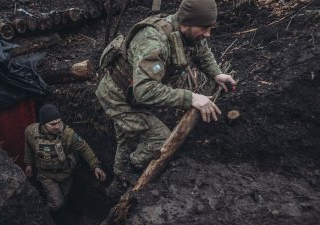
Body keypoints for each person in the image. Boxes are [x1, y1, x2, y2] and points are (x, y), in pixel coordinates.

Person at [95, 0, 237, 198]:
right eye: (204, 29)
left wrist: (217, 74)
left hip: (132, 94)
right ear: (186, 22)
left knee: (126, 139)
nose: (207, 34)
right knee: (159, 138)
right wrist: (190, 98)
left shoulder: (188, 34)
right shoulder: (154, 41)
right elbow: (144, 90)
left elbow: (202, 51)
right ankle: (129, 173)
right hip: (116, 97)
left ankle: (115, 188)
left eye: (210, 28)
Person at [24, 103, 106, 211]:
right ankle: (45, 214)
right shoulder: (30, 131)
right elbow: (28, 147)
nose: (57, 126)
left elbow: (84, 148)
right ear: (43, 123)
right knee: (57, 203)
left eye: (59, 122)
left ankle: (62, 213)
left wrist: (95, 166)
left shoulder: (68, 134)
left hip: (65, 174)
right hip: (45, 175)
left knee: (64, 198)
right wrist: (28, 163)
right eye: (52, 124)